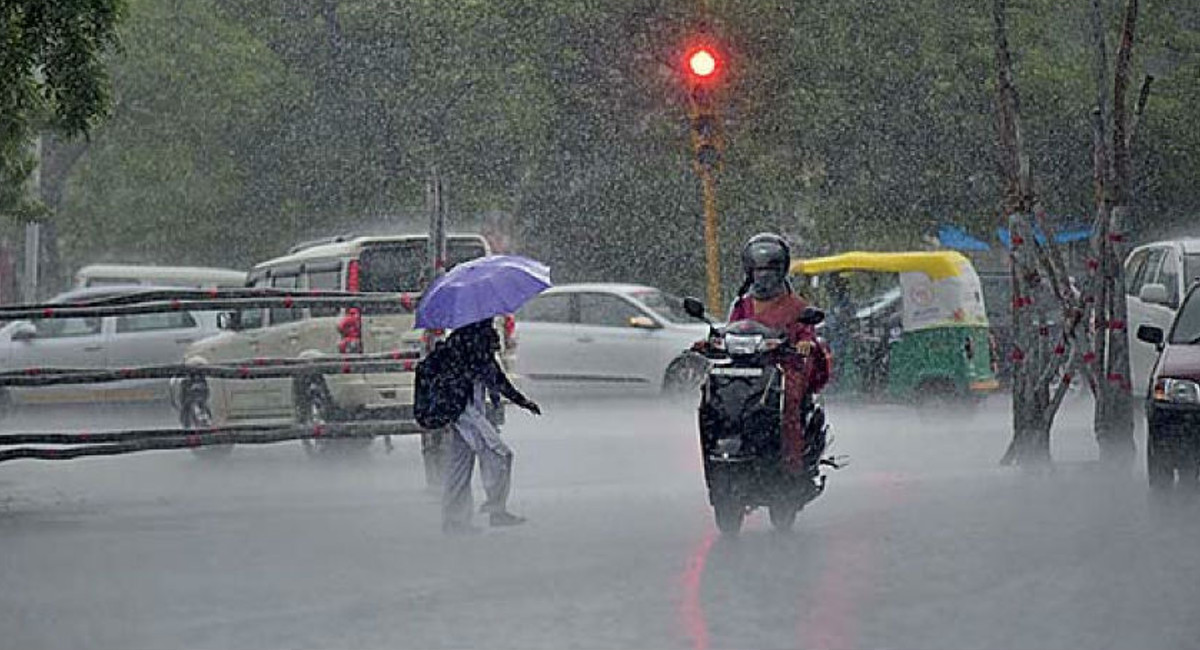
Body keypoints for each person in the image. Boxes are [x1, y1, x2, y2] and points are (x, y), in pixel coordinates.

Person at [727, 233, 830, 479]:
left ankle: (791, 465)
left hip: (783, 367)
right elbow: (731, 329)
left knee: (789, 400)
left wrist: (805, 343)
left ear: (781, 272)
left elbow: (807, 333)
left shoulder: (796, 305)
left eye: (770, 270)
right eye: (758, 270)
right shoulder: (743, 304)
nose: (763, 276)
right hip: (748, 368)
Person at [441, 319, 541, 534]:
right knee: (500, 454)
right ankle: (495, 510)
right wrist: (522, 401)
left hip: (460, 409)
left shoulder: (462, 338)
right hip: (464, 411)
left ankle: (455, 520)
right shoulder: (472, 339)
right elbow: (494, 376)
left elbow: (492, 377)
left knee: (460, 466)